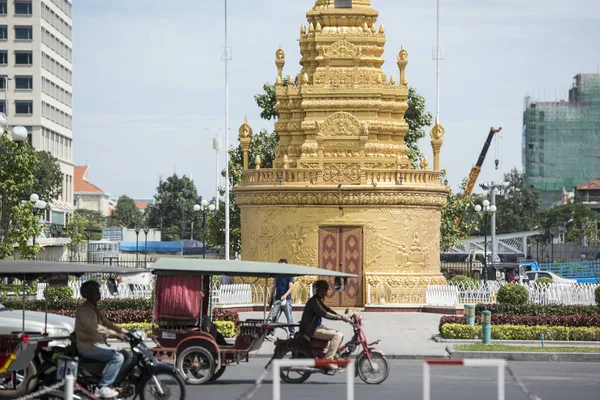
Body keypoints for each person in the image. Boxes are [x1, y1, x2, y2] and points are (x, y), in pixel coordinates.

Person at [75, 280, 128, 399]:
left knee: (126, 353)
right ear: (89, 293)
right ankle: (103, 387)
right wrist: (117, 335)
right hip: (88, 347)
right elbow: (96, 328)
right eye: (96, 291)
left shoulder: (94, 309)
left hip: (98, 344)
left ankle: (114, 383)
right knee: (117, 357)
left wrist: (125, 331)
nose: (99, 293)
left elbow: (107, 323)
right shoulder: (85, 311)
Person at [298, 280, 350, 370]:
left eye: (325, 290)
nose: (324, 293)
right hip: (312, 330)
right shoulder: (314, 302)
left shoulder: (317, 301)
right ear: (316, 291)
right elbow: (325, 313)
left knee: (335, 333)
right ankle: (328, 360)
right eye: (321, 290)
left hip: (316, 327)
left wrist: (341, 316)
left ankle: (331, 354)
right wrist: (340, 318)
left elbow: (328, 310)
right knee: (338, 335)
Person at [265, 259, 295, 341]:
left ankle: (292, 334)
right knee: (274, 318)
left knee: (289, 318)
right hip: (277, 299)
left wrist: (285, 295)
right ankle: (271, 334)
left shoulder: (289, 275)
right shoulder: (277, 275)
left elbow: (291, 288)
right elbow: (274, 286)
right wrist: (271, 297)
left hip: (286, 300)